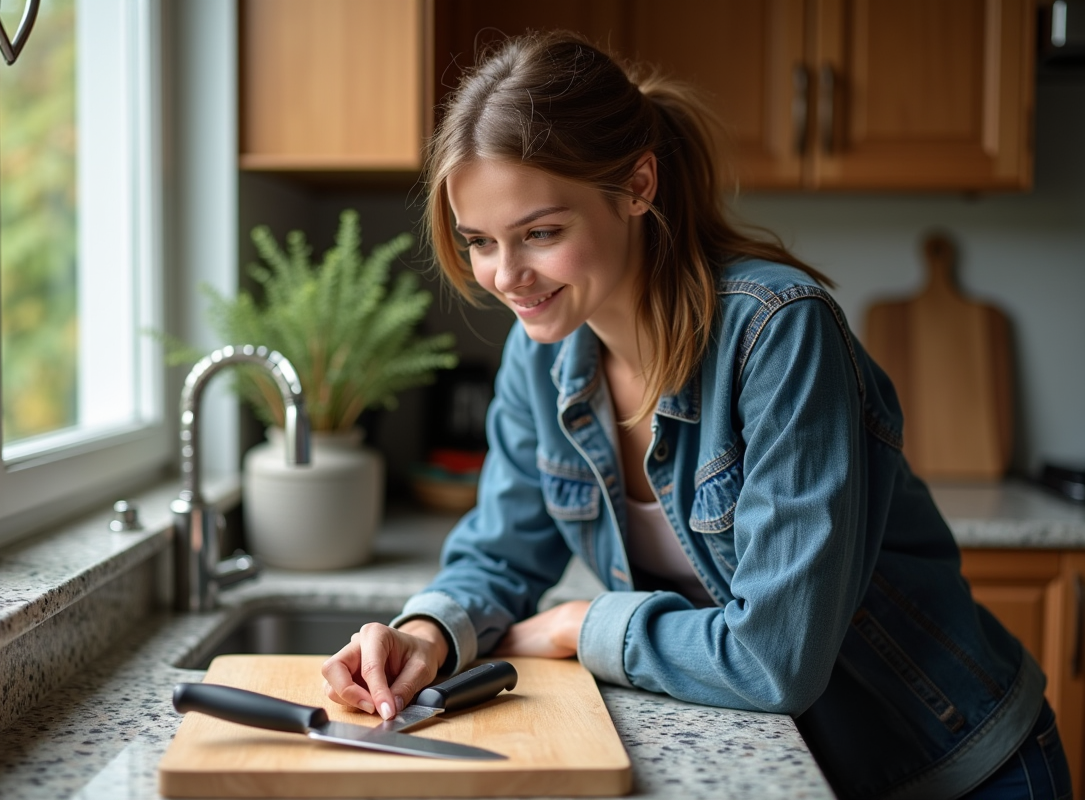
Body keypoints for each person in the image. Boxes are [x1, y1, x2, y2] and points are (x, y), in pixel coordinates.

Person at [319, 30, 1070, 800]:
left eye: (541, 233)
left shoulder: (778, 332)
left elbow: (773, 660)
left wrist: (583, 626)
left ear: (638, 186)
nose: (506, 276)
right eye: (480, 241)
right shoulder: (539, 357)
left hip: (957, 765)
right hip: (801, 768)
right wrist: (426, 634)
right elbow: (504, 555)